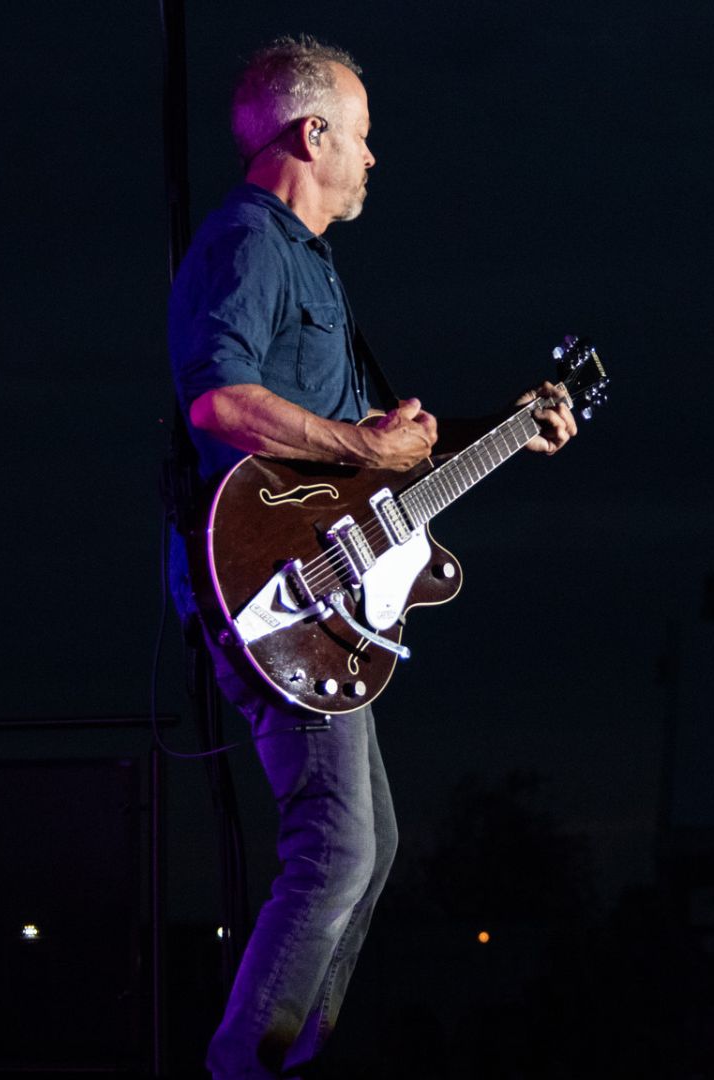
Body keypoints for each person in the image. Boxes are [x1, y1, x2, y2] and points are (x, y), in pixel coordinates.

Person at [166, 35, 577, 1080]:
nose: (372, 159)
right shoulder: (250, 241)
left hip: (325, 588)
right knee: (336, 848)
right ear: (314, 135)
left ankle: (293, 1059)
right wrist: (364, 445)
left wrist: (502, 426)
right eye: (361, 136)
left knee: (370, 848)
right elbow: (218, 400)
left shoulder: (310, 262)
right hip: (274, 589)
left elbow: (366, 469)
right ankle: (242, 1069)